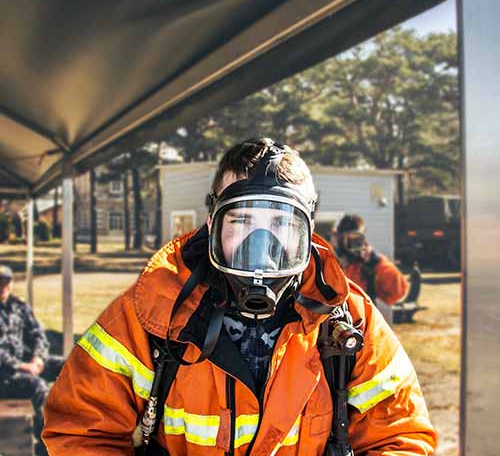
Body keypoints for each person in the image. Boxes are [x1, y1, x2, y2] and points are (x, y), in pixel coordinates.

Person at [43, 138, 437, 455]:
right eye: (242, 220)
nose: (261, 244)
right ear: (213, 221)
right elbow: (79, 431)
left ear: (307, 230)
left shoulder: (348, 321)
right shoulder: (151, 313)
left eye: (282, 223)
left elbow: (400, 438)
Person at [0, 264, 64, 456]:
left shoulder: (19, 307)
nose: (3, 286)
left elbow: (38, 335)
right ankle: (48, 444)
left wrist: (38, 358)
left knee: (70, 366)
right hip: (5, 373)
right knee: (37, 387)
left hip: (28, 363)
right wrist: (22, 366)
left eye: (6, 282)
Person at [330, 214, 409, 306]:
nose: (354, 243)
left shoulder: (367, 266)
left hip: (361, 318)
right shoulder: (327, 262)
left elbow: (398, 292)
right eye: (350, 238)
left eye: (358, 238)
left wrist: (376, 262)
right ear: (339, 237)